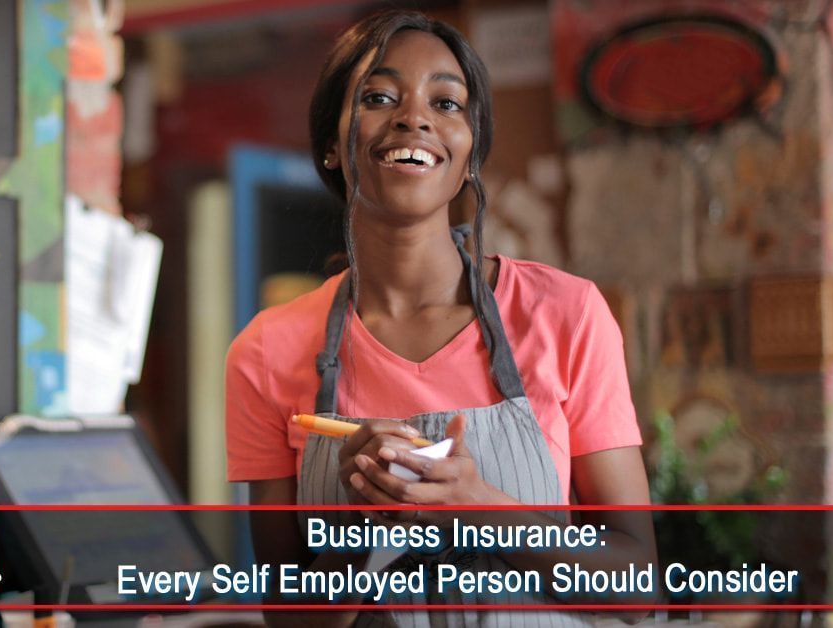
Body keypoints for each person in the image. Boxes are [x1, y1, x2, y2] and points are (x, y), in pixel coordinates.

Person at [225, 10, 656, 627]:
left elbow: (636, 591)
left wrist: (480, 506)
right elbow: (289, 617)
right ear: (329, 144)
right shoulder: (267, 349)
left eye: (447, 103)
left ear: (471, 150)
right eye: (378, 96)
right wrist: (363, 527)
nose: (414, 117)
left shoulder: (567, 314)